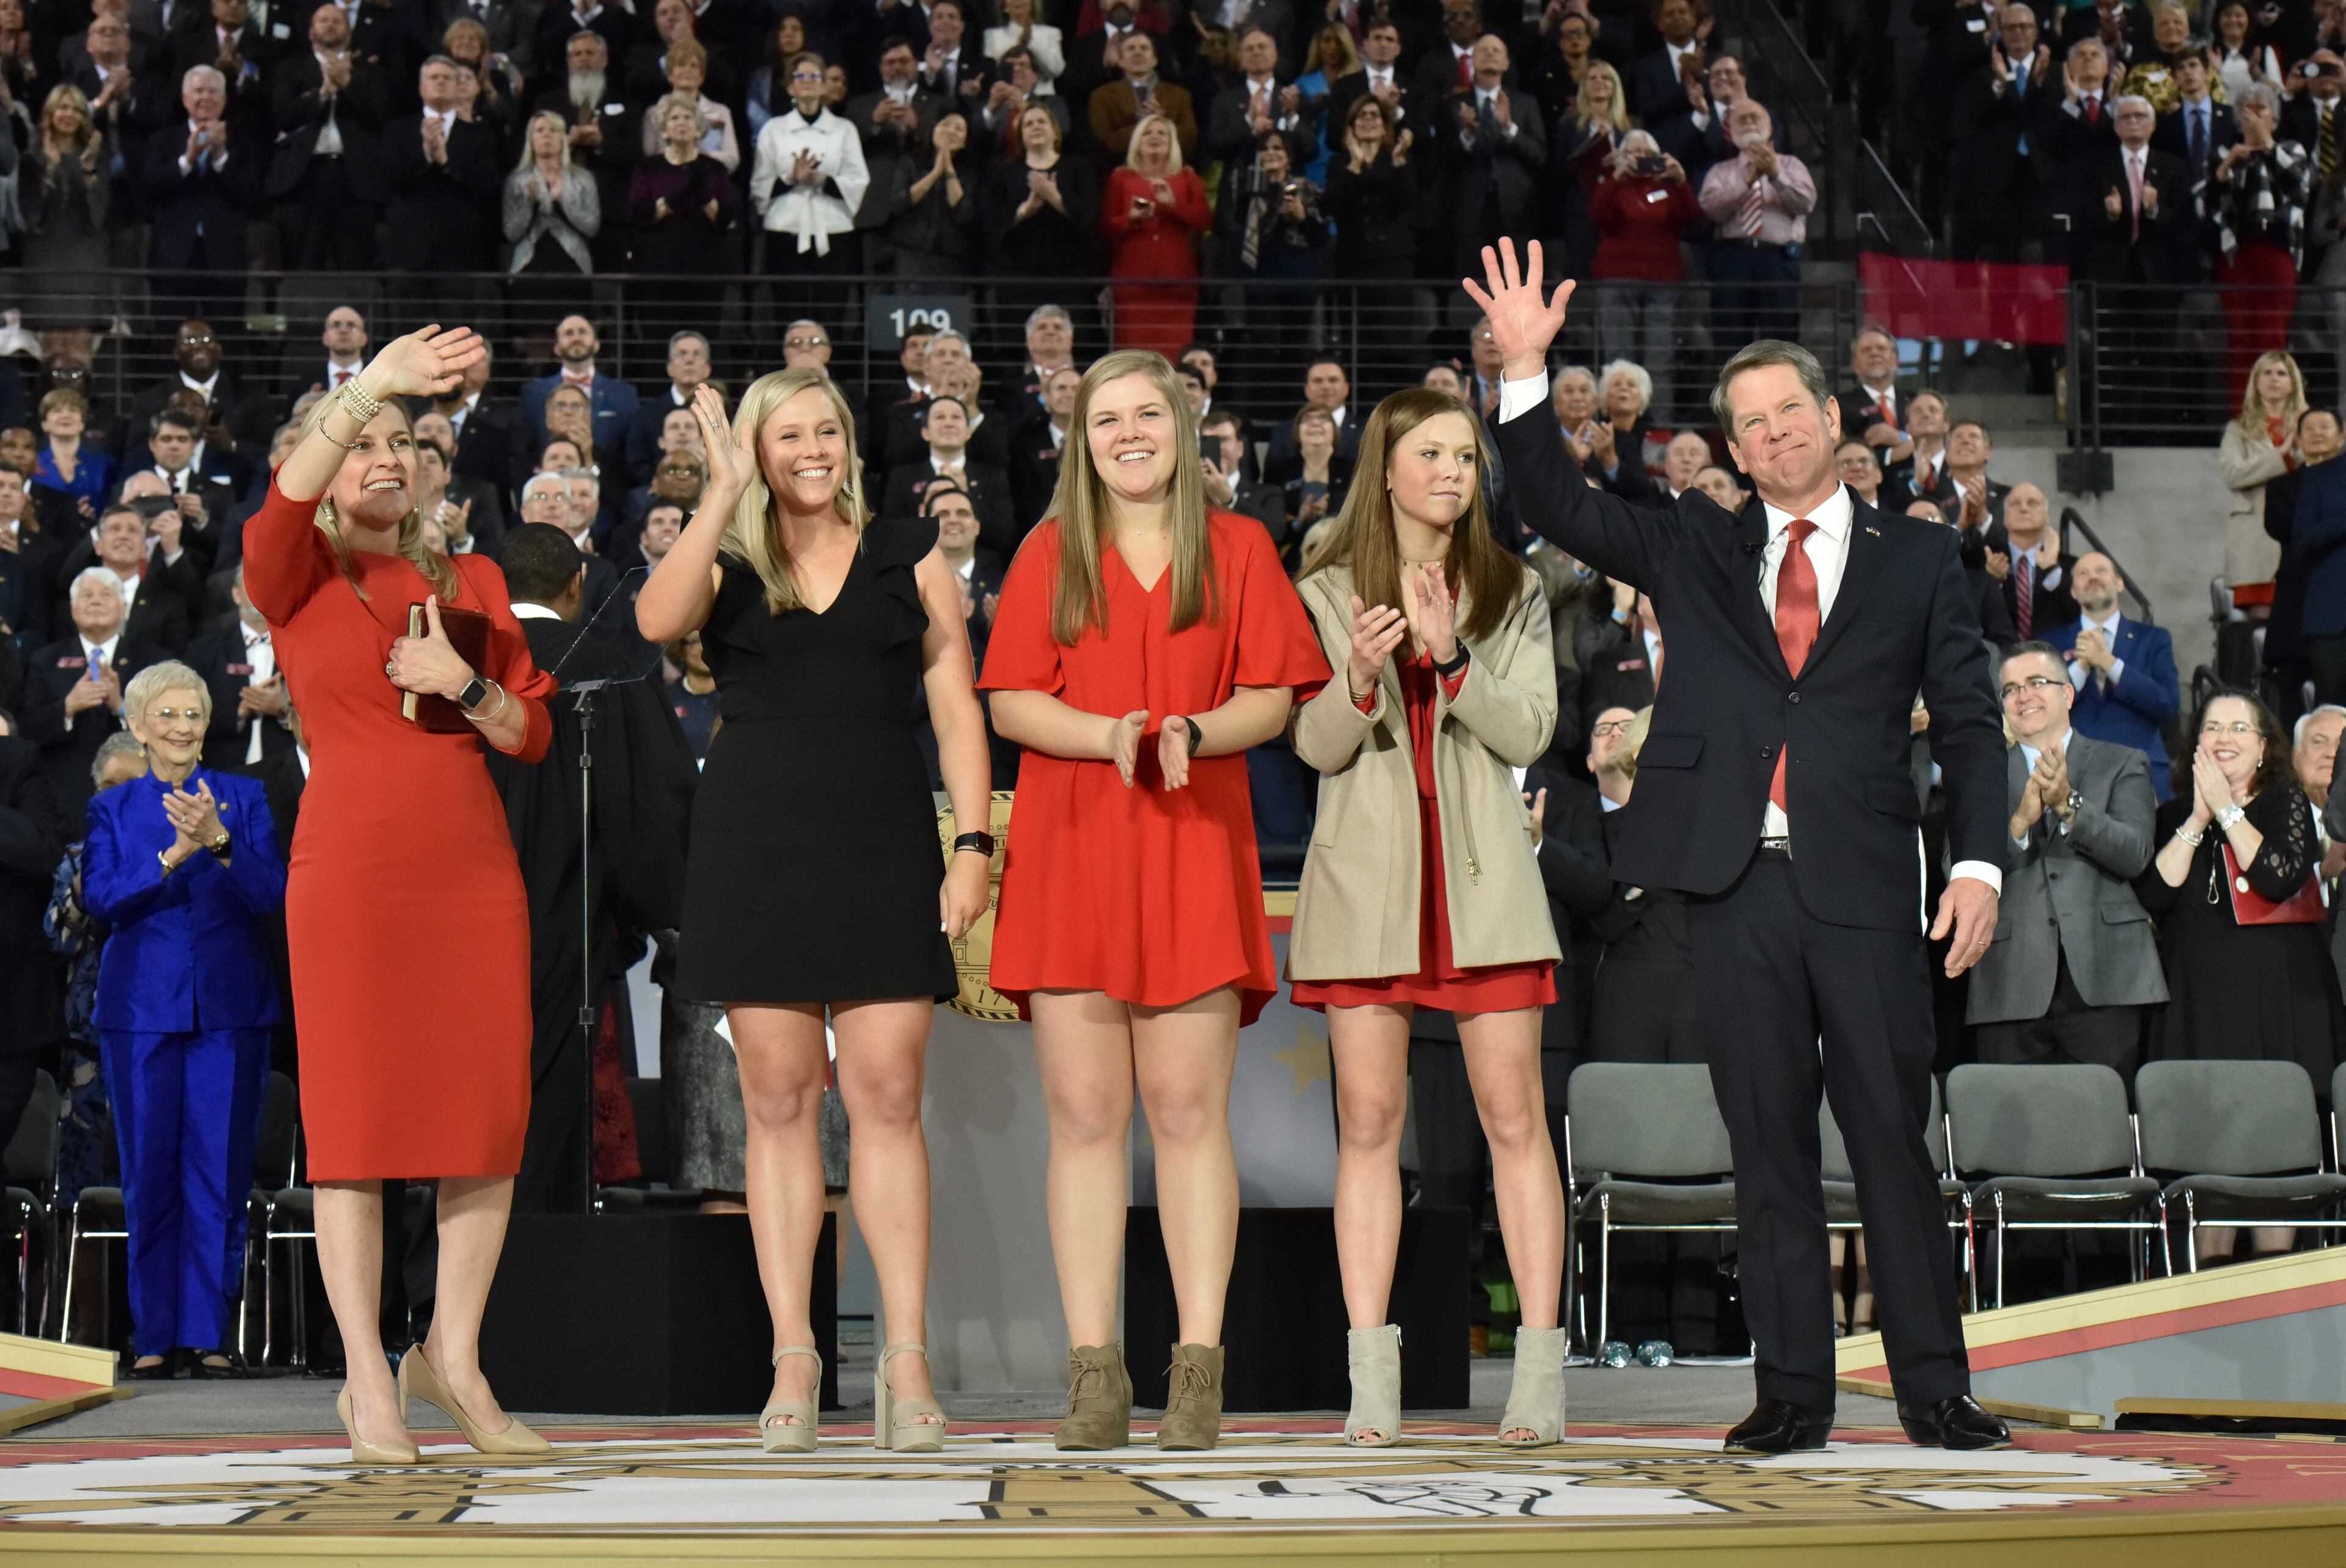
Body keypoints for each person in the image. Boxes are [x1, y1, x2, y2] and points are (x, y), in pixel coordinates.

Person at [1469, 239, 2011, 1453]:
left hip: (1869, 885)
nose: (1772, 437)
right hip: (1728, 881)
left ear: (1831, 417)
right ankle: (1793, 1392)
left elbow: (1971, 729)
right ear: (1732, 444)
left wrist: (1977, 863)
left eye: (1789, 414)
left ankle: (1935, 1385)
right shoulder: (1694, 544)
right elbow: (1558, 504)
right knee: (1765, 1142)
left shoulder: (1921, 558)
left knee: (1889, 1136)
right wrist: (1521, 375)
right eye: (1748, 424)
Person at [978, 350, 1328, 1453]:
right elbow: (1013, 703)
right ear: (1080, 442)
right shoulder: (1048, 549)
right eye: (1104, 420)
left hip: (1191, 840)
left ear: (1183, 424)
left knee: (1187, 1117)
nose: (1127, 434)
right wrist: (1114, 735)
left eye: (1146, 414)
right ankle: (1093, 1369)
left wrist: (1190, 729)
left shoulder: (1238, 547)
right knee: (1085, 1120)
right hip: (1076, 843)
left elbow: (1272, 698)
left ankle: (1196, 1364)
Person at [635, 372, 992, 1453]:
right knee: (780, 1104)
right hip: (755, 852)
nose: (812, 448)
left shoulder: (906, 551)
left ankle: (906, 1358)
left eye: (825, 428)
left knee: (887, 1097)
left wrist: (971, 844)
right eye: (786, 434)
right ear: (755, 445)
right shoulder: (730, 558)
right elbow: (656, 619)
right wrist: (719, 493)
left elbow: (956, 708)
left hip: (884, 844)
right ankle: (796, 1355)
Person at [243, 325, 555, 1466]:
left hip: (471, 876)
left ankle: (453, 1356)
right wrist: (369, 380)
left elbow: (530, 730)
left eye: (403, 444)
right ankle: (367, 1380)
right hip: (352, 880)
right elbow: (276, 511)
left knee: (481, 1123)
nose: (386, 457)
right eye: (362, 444)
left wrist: (463, 681)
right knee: (358, 1132)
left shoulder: (471, 579)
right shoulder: (294, 571)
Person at [1287, 387, 1565, 1448]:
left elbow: (1531, 726)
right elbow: (1313, 746)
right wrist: (1359, 675)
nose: (1452, 470)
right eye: (1431, 453)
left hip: (1487, 885)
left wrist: (1456, 658)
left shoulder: (1513, 586)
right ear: (1387, 469)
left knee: (1514, 1122)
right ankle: (1372, 1377)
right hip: (1368, 887)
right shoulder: (1322, 587)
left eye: (1464, 454)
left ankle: (1537, 1376)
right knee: (1367, 1126)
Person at [484, 524, 697, 1213]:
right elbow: (651, 803)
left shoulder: (458, 665)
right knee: (551, 1103)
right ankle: (539, 1285)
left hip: (461, 921)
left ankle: (447, 1299)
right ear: (576, 585)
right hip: (569, 920)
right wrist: (655, 911)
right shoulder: (603, 666)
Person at [80, 658, 283, 1377]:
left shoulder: (244, 796)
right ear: (137, 726)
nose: (180, 726)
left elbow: (272, 894)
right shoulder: (112, 808)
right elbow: (102, 898)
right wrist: (172, 854)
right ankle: (156, 1335)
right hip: (140, 1010)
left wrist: (222, 841)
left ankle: (210, 1334)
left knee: (219, 1174)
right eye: (164, 715)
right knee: (150, 1172)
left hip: (230, 1009)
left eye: (191, 713)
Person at [2138, 687, 2342, 1263]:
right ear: (2195, 744)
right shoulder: (2173, 813)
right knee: (2210, 1163)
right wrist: (2200, 817)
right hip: (2200, 1005)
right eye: (2211, 727)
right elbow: (2154, 892)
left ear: (2263, 747)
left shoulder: (2286, 804)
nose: (2223, 737)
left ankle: (2274, 1298)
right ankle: (2215, 1301)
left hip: (2278, 1001)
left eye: (2238, 728)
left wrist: (2228, 811)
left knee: (2274, 1157)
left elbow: (2278, 876)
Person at [1968, 642, 2164, 1072]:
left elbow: (2134, 854)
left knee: (2105, 1123)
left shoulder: (2122, 761)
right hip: (2011, 981)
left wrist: (2069, 806)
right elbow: (1955, 869)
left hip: (2108, 976)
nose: (2024, 695)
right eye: (2011, 688)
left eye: (2037, 682)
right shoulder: (1981, 775)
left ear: (2068, 694)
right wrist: (2017, 824)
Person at [25, 569, 160, 831]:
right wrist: (67, 707)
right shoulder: (44, 660)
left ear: (124, 608)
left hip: (136, 794)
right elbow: (26, 728)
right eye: (87, 595)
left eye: (106, 595)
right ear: (73, 609)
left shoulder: (152, 661)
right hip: (64, 795)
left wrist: (121, 707)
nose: (96, 601)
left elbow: (168, 728)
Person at [2047, 552, 2180, 801]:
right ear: (2073, 591)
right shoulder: (2051, 643)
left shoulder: (2154, 639)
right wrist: (2082, 666)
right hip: (2074, 773)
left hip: (2144, 770)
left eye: (2101, 571)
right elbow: (2046, 709)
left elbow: (2168, 705)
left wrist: (2110, 663)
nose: (2093, 578)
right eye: (2083, 574)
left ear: (2120, 584)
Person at [2209, 82, 2309, 406]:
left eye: (2261, 109)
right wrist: (2227, 167)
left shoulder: (2291, 150)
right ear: (2238, 120)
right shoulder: (2224, 153)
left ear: (2274, 119)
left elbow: (2298, 188)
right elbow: (2210, 205)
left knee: (2272, 336)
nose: (2253, 115)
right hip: (2237, 253)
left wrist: (2267, 146)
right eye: (2247, 110)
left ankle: (2275, 416)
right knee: (2239, 338)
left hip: (2278, 250)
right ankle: (2243, 417)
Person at [747, 53, 869, 319]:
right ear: (790, 87)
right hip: (785, 229)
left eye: (815, 76)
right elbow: (760, 184)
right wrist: (791, 178)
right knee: (789, 311)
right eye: (800, 76)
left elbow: (858, 179)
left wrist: (822, 180)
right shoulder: (774, 129)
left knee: (830, 312)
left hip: (833, 230)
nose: (807, 82)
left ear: (825, 85)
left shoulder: (844, 129)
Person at [1588, 131, 1696, 418]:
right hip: (1616, 281)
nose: (1640, 159)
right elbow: (1597, 217)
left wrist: (1681, 179)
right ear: (1622, 157)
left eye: (1646, 153)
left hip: (1663, 283)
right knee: (1617, 361)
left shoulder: (1669, 189)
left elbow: (1694, 222)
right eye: (1633, 153)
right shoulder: (1612, 185)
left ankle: (1658, 433)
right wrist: (1616, 178)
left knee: (1659, 362)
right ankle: (1616, 429)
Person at [1698, 98, 1813, 351]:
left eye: (1755, 118)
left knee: (1781, 341)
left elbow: (1805, 204)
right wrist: (1746, 182)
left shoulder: (1792, 165)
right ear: (1730, 129)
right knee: (1730, 337)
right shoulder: (1721, 171)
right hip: (1733, 258)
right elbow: (1712, 210)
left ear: (1770, 127)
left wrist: (1776, 175)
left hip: (1777, 259)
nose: (1749, 122)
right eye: (1742, 119)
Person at [629, 92, 742, 331]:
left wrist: (702, 193)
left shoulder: (715, 169)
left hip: (705, 265)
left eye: (688, 117)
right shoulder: (648, 168)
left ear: (699, 127)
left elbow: (724, 218)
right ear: (663, 130)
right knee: (659, 334)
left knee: (703, 333)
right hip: (659, 266)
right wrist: (678, 194)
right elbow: (641, 214)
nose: (681, 123)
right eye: (674, 118)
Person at [1101, 115, 1210, 360]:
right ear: (1137, 142)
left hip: (1177, 285)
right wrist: (1131, 219)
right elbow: (1106, 227)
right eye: (1148, 133)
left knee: (1174, 358)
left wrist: (1173, 205)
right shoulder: (1121, 178)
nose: (1155, 137)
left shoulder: (1187, 178)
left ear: (1173, 144)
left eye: (1162, 133)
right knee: (1133, 358)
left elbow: (1204, 220)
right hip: (1133, 285)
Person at [2220, 350, 2308, 616]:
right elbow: (2233, 476)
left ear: (2293, 382)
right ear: (2255, 382)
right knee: (2263, 632)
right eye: (2266, 373)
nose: (2274, 379)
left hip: (2301, 532)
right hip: (2256, 541)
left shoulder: (2311, 426)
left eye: (2281, 373)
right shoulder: (2239, 429)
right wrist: (2280, 457)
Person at [505, 111, 602, 323]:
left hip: (572, 266)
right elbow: (511, 232)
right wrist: (531, 203)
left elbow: (592, 226)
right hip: (529, 266)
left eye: (553, 130)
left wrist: (561, 202)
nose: (546, 136)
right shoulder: (517, 180)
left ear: (563, 138)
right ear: (531, 139)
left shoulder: (583, 178)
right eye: (540, 131)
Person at [884, 109, 979, 277]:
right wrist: (935, 173)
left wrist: (948, 166)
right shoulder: (910, 162)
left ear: (965, 141)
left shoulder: (970, 173)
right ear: (933, 130)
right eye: (945, 125)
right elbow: (898, 203)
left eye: (958, 129)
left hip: (951, 257)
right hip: (909, 251)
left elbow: (963, 213)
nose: (950, 131)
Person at [1982, 483, 2077, 640]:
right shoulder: (1988, 561)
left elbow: (2079, 612)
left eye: (2032, 503)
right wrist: (1991, 582)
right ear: (2005, 518)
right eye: (2015, 504)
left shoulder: (2069, 566)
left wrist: (2052, 570)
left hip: (2053, 655)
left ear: (2047, 517)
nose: (2024, 509)